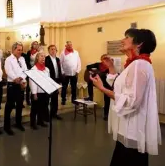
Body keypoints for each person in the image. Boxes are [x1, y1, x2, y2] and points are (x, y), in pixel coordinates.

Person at [90, 28, 162, 166]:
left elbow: (131, 101)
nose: (122, 40)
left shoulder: (139, 64)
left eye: (127, 37)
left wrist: (102, 89)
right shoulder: (135, 63)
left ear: (139, 43)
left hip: (133, 129)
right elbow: (123, 87)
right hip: (130, 129)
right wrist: (111, 67)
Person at [4, 42, 28, 135]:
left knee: (19, 104)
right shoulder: (8, 59)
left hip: (21, 83)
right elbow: (8, 71)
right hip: (12, 84)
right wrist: (16, 79)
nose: (20, 51)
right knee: (9, 105)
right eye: (18, 50)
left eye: (21, 50)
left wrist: (22, 79)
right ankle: (7, 126)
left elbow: (25, 70)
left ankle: (18, 123)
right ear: (13, 49)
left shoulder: (22, 59)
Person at [85, 54, 111, 120]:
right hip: (98, 82)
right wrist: (92, 71)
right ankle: (91, 96)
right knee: (90, 80)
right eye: (104, 59)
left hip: (106, 84)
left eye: (106, 59)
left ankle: (106, 114)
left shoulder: (110, 66)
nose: (105, 60)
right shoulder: (98, 64)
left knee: (107, 99)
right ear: (101, 60)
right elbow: (88, 66)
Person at [29, 52, 50, 129]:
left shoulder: (46, 69)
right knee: (34, 108)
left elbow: (48, 80)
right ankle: (32, 123)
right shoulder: (33, 69)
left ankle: (40, 121)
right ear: (37, 58)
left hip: (44, 91)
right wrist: (34, 93)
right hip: (37, 92)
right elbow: (32, 82)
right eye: (41, 56)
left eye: (44, 56)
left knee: (42, 107)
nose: (43, 58)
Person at [60, 41, 81, 105]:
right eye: (68, 45)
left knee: (74, 87)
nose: (70, 46)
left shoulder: (76, 52)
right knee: (64, 87)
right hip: (65, 74)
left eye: (71, 45)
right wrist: (62, 72)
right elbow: (60, 63)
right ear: (65, 46)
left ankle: (73, 99)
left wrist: (78, 71)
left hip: (74, 73)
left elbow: (79, 62)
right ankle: (63, 99)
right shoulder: (63, 53)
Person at [45, 45, 63, 120]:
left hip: (56, 80)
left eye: (54, 49)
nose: (53, 51)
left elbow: (59, 70)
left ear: (56, 51)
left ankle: (54, 113)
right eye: (51, 49)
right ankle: (46, 115)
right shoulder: (46, 59)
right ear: (48, 51)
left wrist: (60, 82)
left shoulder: (58, 59)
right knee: (47, 99)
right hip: (49, 80)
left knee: (55, 99)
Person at [25, 41, 40, 106]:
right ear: (32, 45)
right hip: (30, 70)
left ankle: (35, 98)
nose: (36, 45)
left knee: (35, 85)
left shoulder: (39, 52)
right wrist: (30, 68)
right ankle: (28, 100)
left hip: (37, 70)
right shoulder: (29, 52)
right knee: (29, 86)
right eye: (34, 44)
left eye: (37, 44)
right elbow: (27, 61)